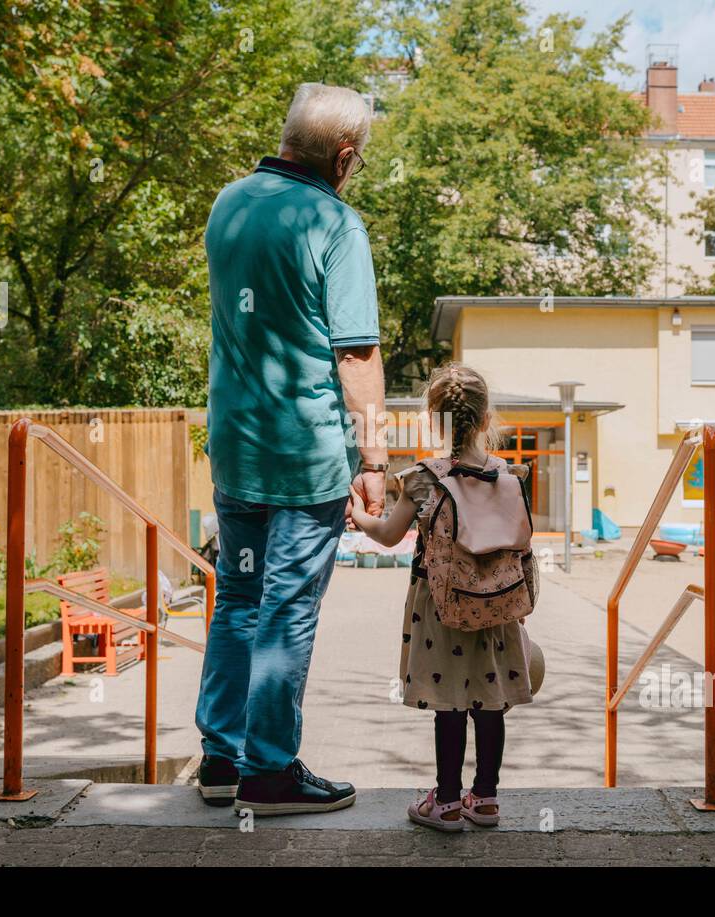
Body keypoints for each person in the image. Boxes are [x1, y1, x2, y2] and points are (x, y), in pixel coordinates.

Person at [195, 82, 388, 815]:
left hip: (235, 446)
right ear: (343, 157)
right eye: (358, 162)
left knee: (238, 599)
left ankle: (221, 759)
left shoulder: (228, 204)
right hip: (303, 458)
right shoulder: (335, 224)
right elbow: (356, 356)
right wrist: (373, 464)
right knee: (288, 608)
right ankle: (270, 772)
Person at [348, 364, 534, 831]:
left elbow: (390, 535)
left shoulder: (424, 477)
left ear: (436, 421)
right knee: (490, 700)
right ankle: (486, 799)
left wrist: (358, 515)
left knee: (450, 700)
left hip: (442, 607)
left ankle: (446, 802)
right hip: (497, 607)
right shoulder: (509, 475)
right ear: (487, 418)